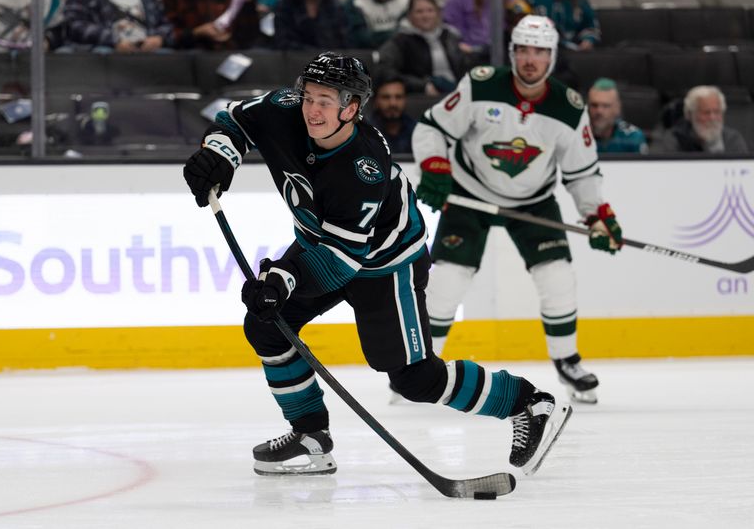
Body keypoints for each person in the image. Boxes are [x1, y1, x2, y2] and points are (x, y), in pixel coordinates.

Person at [182, 51, 571, 476]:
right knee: (266, 327)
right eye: (309, 96)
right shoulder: (285, 109)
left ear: (351, 108)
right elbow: (234, 121)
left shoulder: (362, 168)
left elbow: (341, 262)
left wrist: (281, 282)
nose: (312, 109)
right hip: (325, 246)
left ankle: (528, 404)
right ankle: (311, 435)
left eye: (326, 101)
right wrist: (220, 156)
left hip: (386, 265)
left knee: (414, 379)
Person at [411, 15, 622, 405]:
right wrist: (435, 166)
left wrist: (598, 215)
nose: (531, 59)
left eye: (540, 52)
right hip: (470, 193)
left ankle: (567, 360)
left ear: (552, 57)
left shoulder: (569, 108)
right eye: (523, 49)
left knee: (558, 278)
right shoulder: (480, 84)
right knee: (447, 283)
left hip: (534, 200)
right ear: (512, 52)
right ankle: (420, 366)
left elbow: (582, 172)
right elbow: (431, 127)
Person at [377, 0, 466, 96]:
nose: (425, 16)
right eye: (419, 11)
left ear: (438, 13)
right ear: (410, 15)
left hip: (458, 92)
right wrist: (422, 86)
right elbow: (384, 70)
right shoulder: (400, 40)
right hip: (423, 97)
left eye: (430, 10)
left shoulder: (450, 36)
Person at [64, 0, 175, 53]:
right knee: (102, 53)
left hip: (147, 51)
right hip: (104, 50)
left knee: (170, 57)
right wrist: (114, 40)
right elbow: (75, 25)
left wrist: (159, 38)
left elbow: (167, 23)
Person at [656, 86, 748, 154]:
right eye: (706, 113)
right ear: (689, 114)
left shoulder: (732, 139)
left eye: (717, 112)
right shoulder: (674, 139)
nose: (712, 118)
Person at [162, 0, 262, 50]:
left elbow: (251, 35)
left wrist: (247, 4)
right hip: (190, 52)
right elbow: (167, 36)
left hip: (234, 51)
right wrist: (197, 32)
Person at [587, 78, 647, 154]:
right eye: (594, 105)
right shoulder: (578, 136)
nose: (599, 111)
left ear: (617, 108)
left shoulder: (632, 137)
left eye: (605, 106)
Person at [273, 0, 350, 50]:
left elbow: (344, 42)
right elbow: (283, 42)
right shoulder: (285, 6)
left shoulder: (335, 6)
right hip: (294, 64)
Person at [366, 74, 416, 154]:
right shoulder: (363, 132)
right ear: (375, 100)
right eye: (386, 97)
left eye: (398, 97)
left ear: (405, 100)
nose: (393, 103)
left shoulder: (417, 130)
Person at [529, 0, 600, 51]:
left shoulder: (580, 1)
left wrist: (588, 39)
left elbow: (590, 27)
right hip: (540, 47)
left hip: (572, 49)